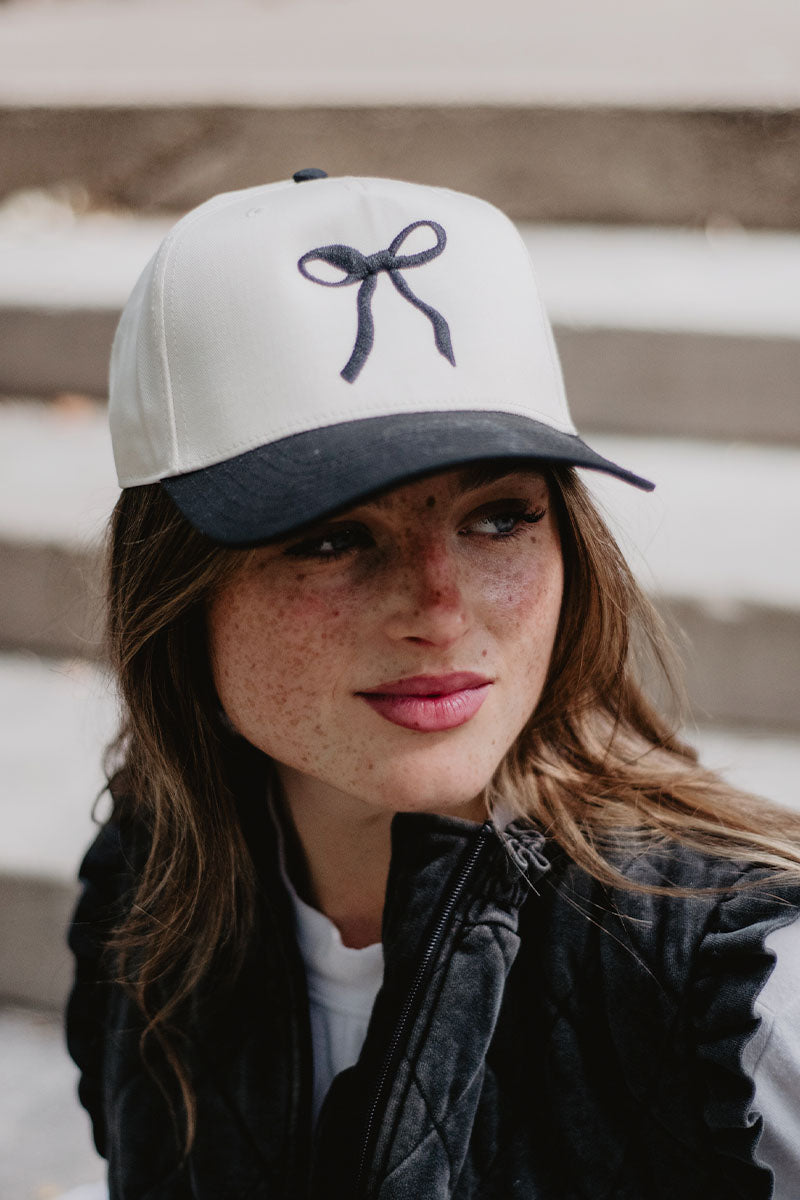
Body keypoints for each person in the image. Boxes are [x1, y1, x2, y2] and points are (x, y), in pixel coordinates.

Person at [66, 170, 800, 1200]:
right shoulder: (149, 883)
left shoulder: (744, 980)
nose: (440, 609)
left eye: (499, 517)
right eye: (331, 537)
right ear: (175, 588)